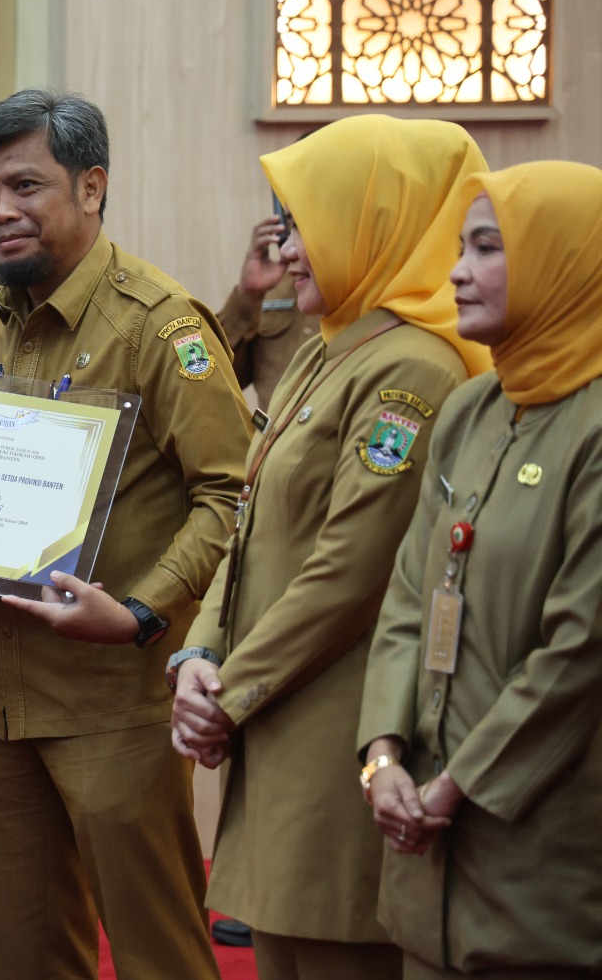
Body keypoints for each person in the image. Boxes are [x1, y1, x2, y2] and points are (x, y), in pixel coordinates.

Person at [0, 89, 250, 979]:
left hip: (114, 699)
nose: (0, 211)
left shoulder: (160, 324)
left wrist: (142, 611)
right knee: (18, 957)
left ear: (92, 187)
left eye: (25, 186)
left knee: (157, 955)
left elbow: (231, 495)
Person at [168, 115, 491, 980]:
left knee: (336, 953)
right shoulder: (329, 350)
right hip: (271, 716)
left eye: (306, 226)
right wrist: (199, 656)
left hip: (337, 733)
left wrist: (227, 693)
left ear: (373, 224)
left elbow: (351, 571)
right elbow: (247, 522)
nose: (288, 252)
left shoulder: (412, 369)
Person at [357, 160, 602, 979]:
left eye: (488, 248)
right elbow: (409, 596)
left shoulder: (593, 427)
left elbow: (580, 651)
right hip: (422, 836)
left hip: (540, 852)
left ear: (566, 261)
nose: (457, 272)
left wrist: (455, 787)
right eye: (461, 247)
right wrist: (384, 758)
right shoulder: (474, 407)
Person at [216, 215, 317, 407]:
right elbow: (216, 377)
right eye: (291, 226)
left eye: (299, 226)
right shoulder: (274, 282)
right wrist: (248, 294)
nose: (287, 250)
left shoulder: (367, 290)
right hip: (274, 425)